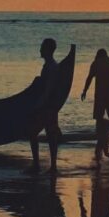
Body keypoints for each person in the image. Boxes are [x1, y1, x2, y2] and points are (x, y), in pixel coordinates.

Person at [29, 38, 63, 174]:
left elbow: (49, 89)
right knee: (51, 135)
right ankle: (52, 167)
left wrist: (39, 104)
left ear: (48, 50)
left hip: (47, 106)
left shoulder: (51, 67)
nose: (40, 49)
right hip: (51, 106)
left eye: (42, 47)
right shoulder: (51, 66)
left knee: (33, 133)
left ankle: (38, 165)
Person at [81, 49, 109, 148]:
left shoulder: (96, 63)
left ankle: (100, 138)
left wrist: (85, 90)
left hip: (100, 95)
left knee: (99, 118)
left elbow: (89, 78)